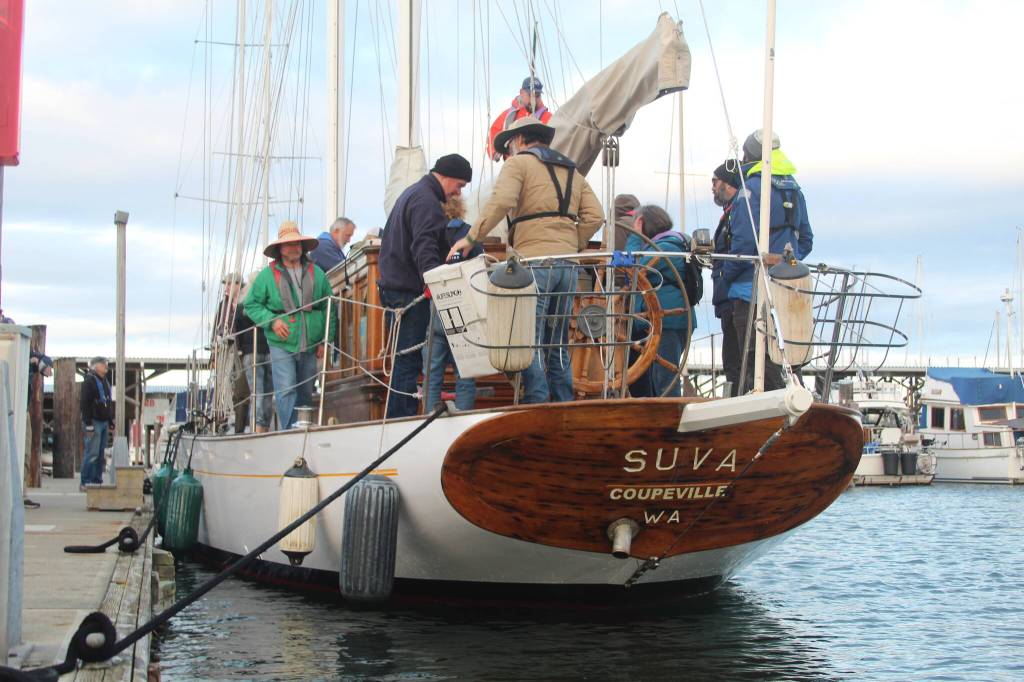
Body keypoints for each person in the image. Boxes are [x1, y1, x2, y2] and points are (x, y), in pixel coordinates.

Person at [450, 117, 604, 403]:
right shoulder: (573, 172)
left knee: (527, 339)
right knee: (557, 341)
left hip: (534, 263)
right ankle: (563, 404)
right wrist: (572, 242)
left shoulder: (518, 164)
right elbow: (596, 216)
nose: (508, 153)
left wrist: (470, 238)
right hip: (568, 265)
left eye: (509, 146)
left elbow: (502, 202)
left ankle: (537, 403)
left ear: (519, 140)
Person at [378, 153, 472, 418]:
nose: (458, 192)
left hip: (394, 289)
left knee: (403, 361)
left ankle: (397, 419)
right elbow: (424, 247)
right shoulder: (427, 202)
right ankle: (401, 422)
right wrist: (436, 283)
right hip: (408, 294)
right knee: (408, 362)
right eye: (460, 185)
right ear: (446, 177)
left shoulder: (413, 194)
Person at [721, 130, 814, 393]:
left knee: (755, 362)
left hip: (749, 292)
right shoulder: (795, 190)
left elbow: (743, 245)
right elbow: (805, 240)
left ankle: (768, 411)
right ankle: (801, 404)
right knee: (789, 359)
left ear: (749, 156)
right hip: (787, 291)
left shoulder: (750, 190)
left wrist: (725, 278)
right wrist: (785, 267)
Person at [244, 221, 336, 429]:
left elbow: (329, 308)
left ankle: (301, 431)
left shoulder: (317, 273)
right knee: (286, 390)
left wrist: (326, 340)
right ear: (279, 249)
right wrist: (273, 321)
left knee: (305, 391)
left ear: (303, 247)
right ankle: (289, 432)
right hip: (281, 343)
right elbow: (250, 304)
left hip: (311, 344)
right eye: (288, 244)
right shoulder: (266, 276)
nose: (293, 248)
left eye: (297, 244)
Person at [625, 205, 699, 397]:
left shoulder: (664, 248)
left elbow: (634, 272)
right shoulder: (674, 244)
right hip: (670, 319)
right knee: (658, 378)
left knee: (664, 379)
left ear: (642, 223)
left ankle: (671, 420)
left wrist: (635, 236)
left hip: (668, 321)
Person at [423, 196, 482, 412]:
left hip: (436, 307)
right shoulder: (470, 233)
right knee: (465, 370)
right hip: (465, 307)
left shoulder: (431, 232)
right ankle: (464, 416)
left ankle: (429, 416)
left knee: (432, 370)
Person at [709, 161, 741, 396]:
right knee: (733, 357)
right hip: (727, 295)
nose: (712, 186)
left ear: (727, 183)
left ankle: (739, 402)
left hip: (732, 294)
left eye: (715, 181)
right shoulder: (730, 213)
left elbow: (741, 249)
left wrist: (726, 278)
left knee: (734, 358)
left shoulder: (737, 212)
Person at [234, 272, 275, 432]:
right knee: (267, 393)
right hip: (269, 349)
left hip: (251, 352)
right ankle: (262, 426)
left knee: (257, 392)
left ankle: (257, 426)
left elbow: (237, 329)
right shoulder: (269, 304)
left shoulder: (241, 307)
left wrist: (242, 349)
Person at [211, 273, 250, 433]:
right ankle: (227, 424)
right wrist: (214, 355)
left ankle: (241, 427)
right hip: (228, 352)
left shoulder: (247, 302)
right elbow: (217, 330)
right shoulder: (223, 306)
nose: (226, 287)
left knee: (243, 390)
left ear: (238, 285)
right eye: (225, 284)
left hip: (244, 350)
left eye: (229, 284)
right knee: (229, 390)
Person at [487, 76, 553, 161]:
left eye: (537, 96)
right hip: (513, 165)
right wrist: (494, 152)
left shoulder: (549, 118)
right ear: (521, 93)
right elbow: (493, 133)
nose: (534, 99)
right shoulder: (508, 115)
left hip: (538, 166)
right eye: (530, 95)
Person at [80, 356, 113, 487]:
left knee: (100, 455)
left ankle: (96, 481)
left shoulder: (105, 381)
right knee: (92, 453)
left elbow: (107, 402)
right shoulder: (89, 381)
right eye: (103, 363)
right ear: (95, 366)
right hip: (93, 422)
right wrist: (88, 423)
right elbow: (84, 403)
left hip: (103, 422)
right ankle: (85, 482)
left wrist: (110, 420)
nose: (106, 365)